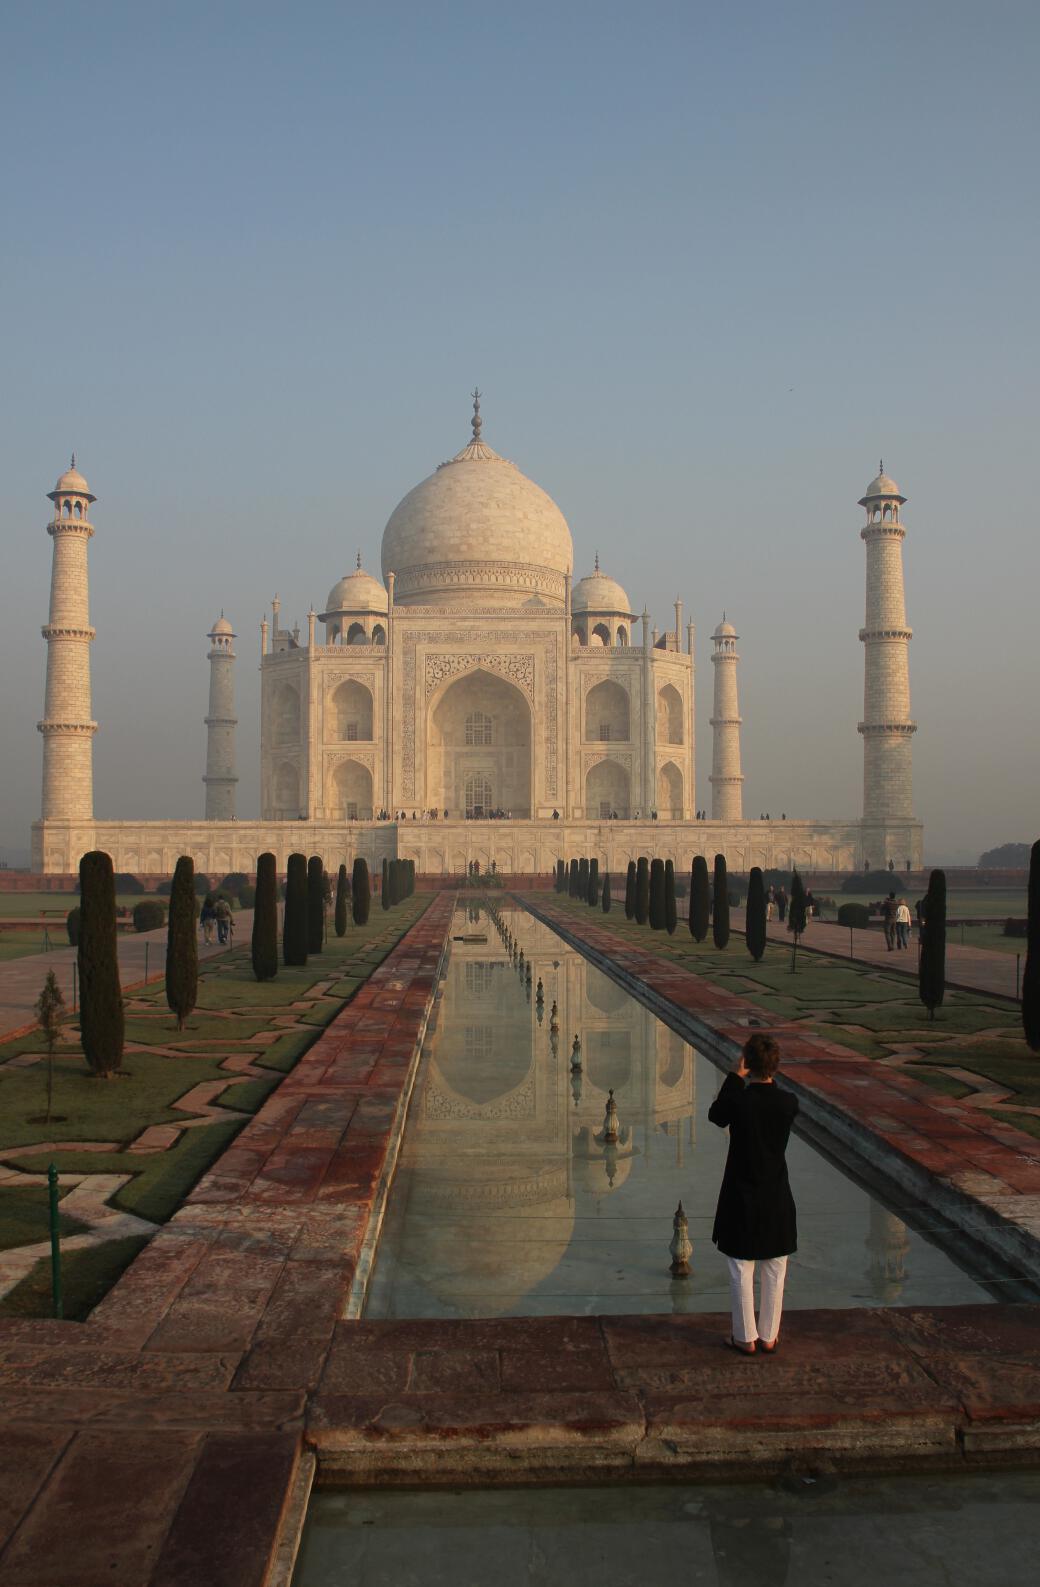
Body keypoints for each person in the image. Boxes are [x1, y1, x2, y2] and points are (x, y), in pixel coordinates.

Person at [708, 1033, 798, 1355]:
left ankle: (744, 1337)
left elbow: (716, 1114)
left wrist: (735, 1076)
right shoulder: (789, 1103)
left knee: (741, 1267)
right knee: (775, 1266)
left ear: (747, 1062)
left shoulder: (738, 1102)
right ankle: (769, 1335)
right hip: (775, 1193)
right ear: (776, 1065)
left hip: (741, 1193)